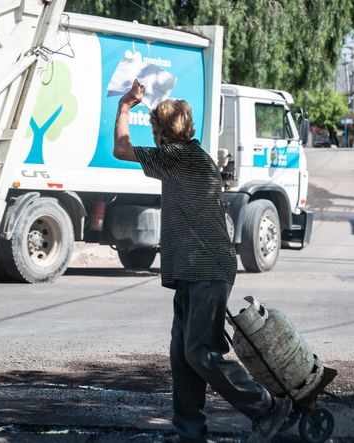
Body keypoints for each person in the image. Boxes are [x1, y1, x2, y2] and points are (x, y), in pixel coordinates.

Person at [113, 79, 293, 443]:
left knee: (201, 353)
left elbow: (121, 148)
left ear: (162, 133)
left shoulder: (179, 158)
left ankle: (269, 409)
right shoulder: (186, 157)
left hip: (206, 269)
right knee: (183, 356)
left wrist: (124, 108)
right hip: (192, 271)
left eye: (155, 130)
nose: (154, 136)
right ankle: (190, 434)